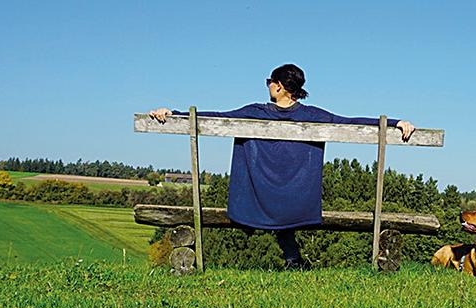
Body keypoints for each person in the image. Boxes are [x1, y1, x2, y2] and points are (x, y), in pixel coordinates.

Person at [148, 63, 416, 269]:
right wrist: (395, 123)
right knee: (283, 207)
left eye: (270, 81)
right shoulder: (314, 115)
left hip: (262, 194)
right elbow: (351, 122)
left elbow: (217, 117)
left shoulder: (257, 111)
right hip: (297, 197)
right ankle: (294, 259)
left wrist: (173, 113)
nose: (268, 86)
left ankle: (292, 258)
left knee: (271, 206)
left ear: (278, 86)